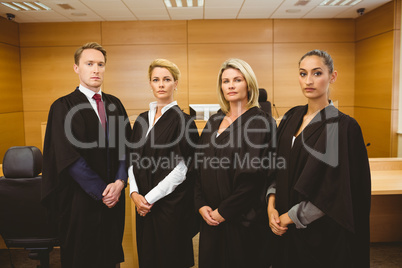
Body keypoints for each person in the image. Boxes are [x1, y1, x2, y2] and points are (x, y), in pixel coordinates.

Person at [267, 49, 371, 267]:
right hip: (282, 227)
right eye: (303, 74)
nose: (309, 81)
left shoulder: (343, 127)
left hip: (319, 234)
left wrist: (291, 216)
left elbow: (337, 190)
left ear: (332, 76)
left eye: (317, 73)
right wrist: (271, 205)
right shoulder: (290, 117)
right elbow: (276, 166)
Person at [41, 42, 131, 268]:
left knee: (110, 257)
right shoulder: (63, 106)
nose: (96, 69)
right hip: (79, 200)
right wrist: (102, 191)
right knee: (83, 258)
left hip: (113, 199)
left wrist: (120, 182)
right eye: (89, 64)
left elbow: (126, 147)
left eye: (100, 64)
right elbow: (67, 157)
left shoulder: (115, 104)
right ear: (76, 68)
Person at [193, 58, 277, 268]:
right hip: (211, 220)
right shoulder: (213, 121)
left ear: (248, 83)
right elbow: (198, 166)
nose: (230, 85)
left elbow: (255, 178)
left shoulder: (261, 122)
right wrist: (200, 203)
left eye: (237, 80)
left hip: (243, 221)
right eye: (225, 81)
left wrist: (224, 212)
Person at [128, 59, 199, 268]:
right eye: (156, 79)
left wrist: (149, 198)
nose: (161, 84)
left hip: (169, 205)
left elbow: (184, 167)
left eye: (166, 79)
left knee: (170, 258)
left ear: (175, 83)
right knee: (148, 258)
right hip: (142, 205)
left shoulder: (184, 121)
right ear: (150, 83)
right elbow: (132, 158)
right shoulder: (141, 120)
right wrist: (134, 194)